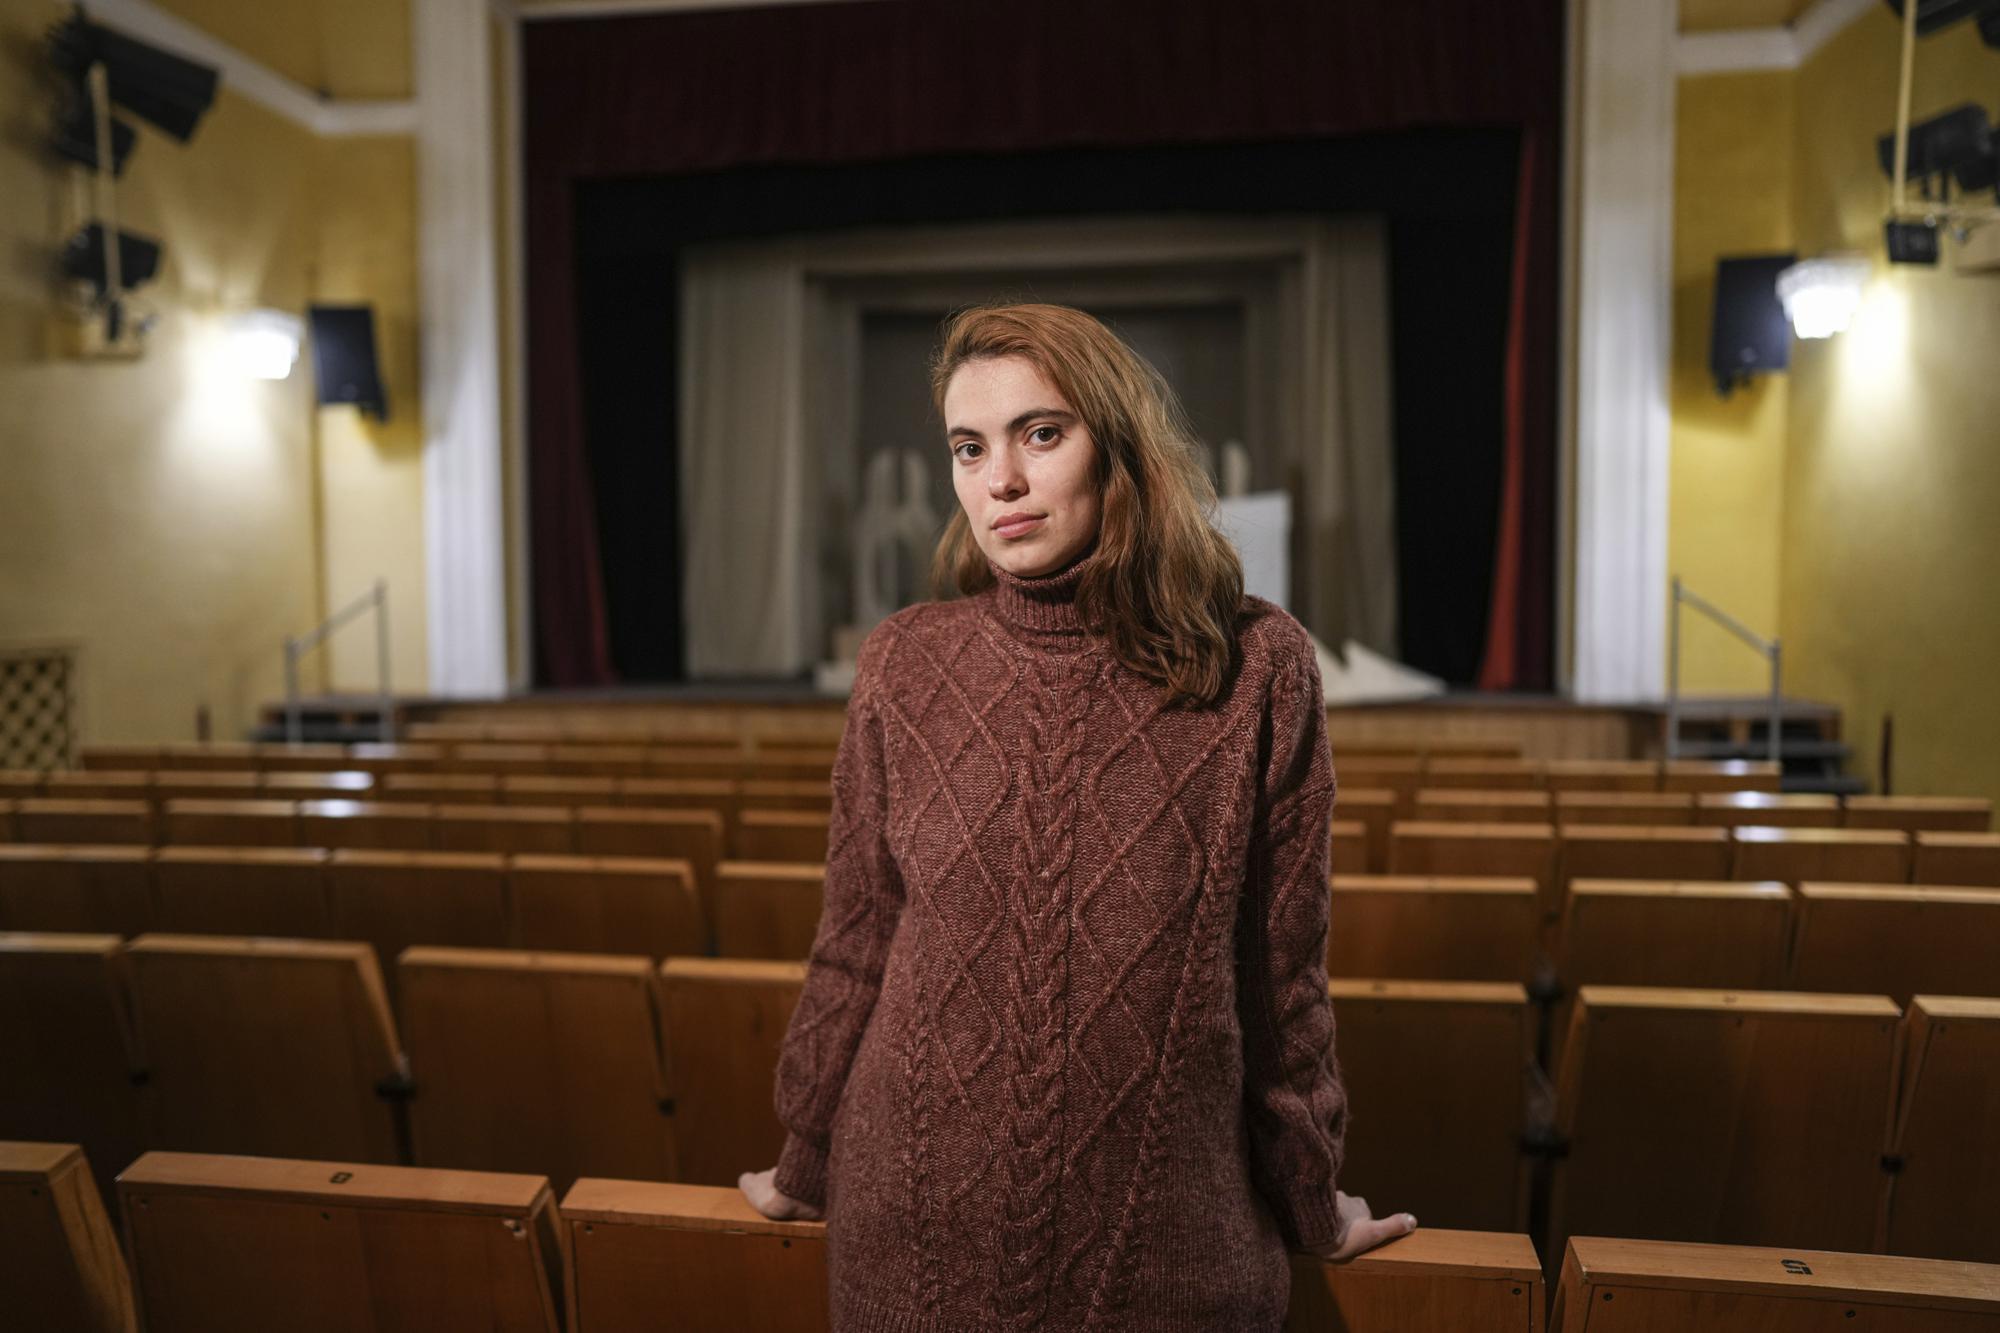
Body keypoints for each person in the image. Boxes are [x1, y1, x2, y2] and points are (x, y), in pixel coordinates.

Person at [739, 302, 1414, 1330]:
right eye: (969, 448)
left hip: (1168, 1244)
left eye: (1038, 434)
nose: (998, 481)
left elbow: (1281, 979)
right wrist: (805, 1156)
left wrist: (1311, 1198)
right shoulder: (905, 660)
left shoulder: (1255, 666)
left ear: (1118, 444)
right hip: (909, 1234)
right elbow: (857, 942)